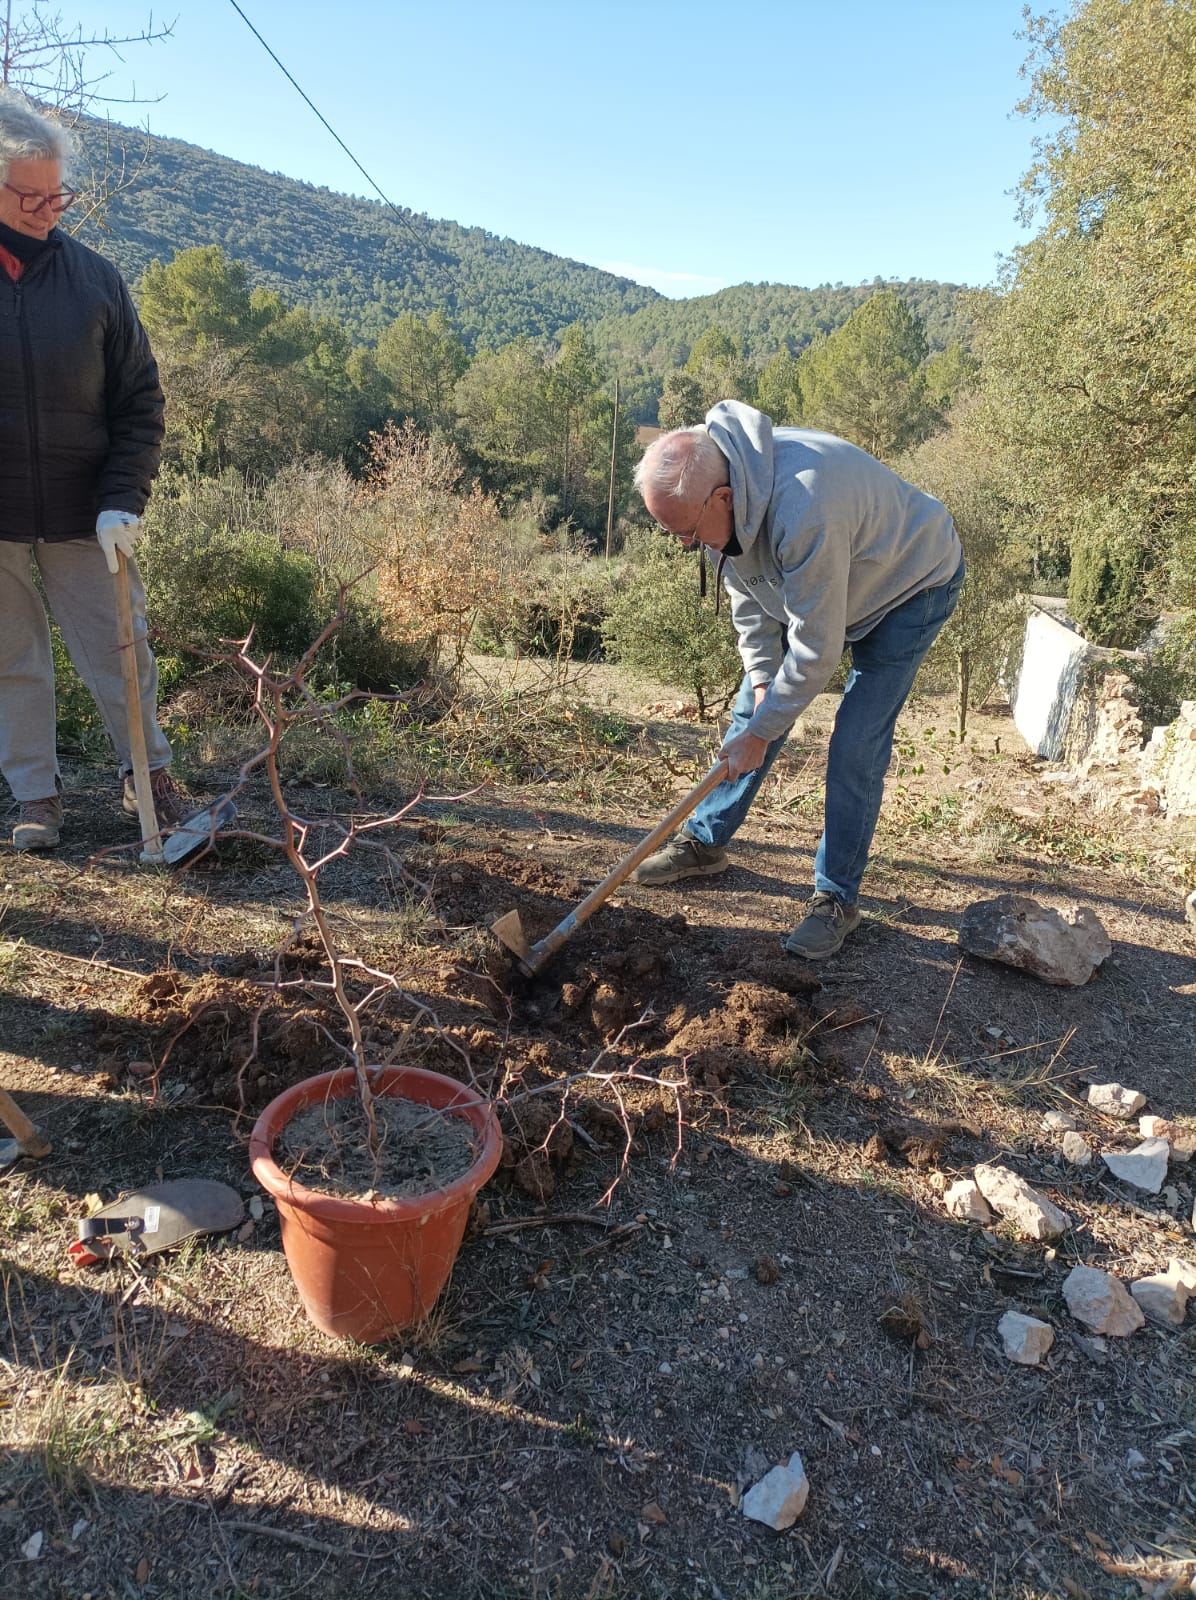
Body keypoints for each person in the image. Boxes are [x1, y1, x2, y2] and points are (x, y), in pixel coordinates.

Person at [632, 399, 965, 958]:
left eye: (686, 532)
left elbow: (817, 649)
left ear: (724, 498)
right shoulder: (722, 497)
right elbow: (748, 599)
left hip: (910, 583)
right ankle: (706, 842)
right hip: (829, 582)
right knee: (753, 708)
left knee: (856, 742)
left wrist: (764, 730)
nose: (686, 544)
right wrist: (763, 684)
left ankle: (836, 898)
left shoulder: (806, 506)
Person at [0, 88, 189, 852]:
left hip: (88, 514)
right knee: (11, 663)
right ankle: (35, 796)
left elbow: (140, 401)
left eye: (59, 195)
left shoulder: (96, 281)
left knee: (122, 652)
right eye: (31, 197)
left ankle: (150, 777)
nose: (50, 211)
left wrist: (122, 497)